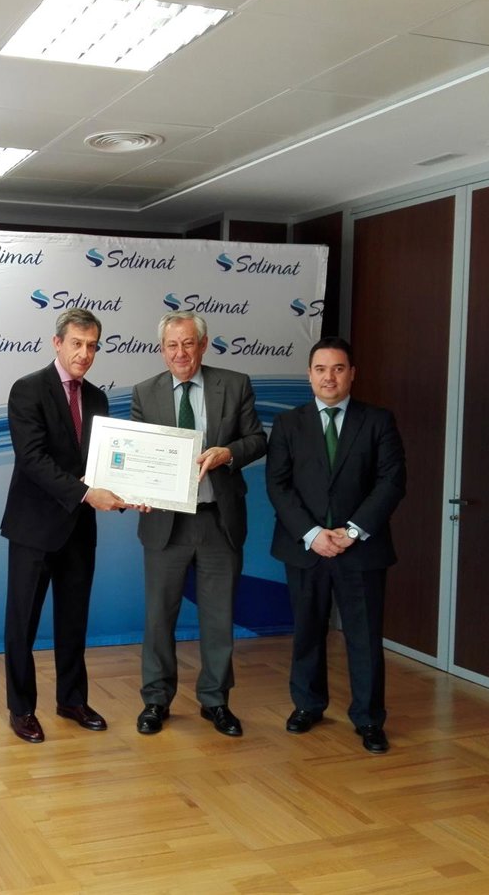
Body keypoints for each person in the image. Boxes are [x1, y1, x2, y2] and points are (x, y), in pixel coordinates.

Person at [265, 336, 406, 754]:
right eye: (321, 369)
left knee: (364, 638)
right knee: (308, 631)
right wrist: (313, 534)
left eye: (339, 369)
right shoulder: (288, 424)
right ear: (309, 375)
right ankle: (308, 705)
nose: (330, 377)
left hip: (360, 549)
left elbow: (391, 481)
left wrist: (353, 531)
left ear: (352, 374)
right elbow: (278, 485)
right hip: (305, 548)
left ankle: (369, 718)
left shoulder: (378, 421)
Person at [130, 310, 267, 737]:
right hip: (165, 524)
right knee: (158, 618)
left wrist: (229, 453)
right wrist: (137, 488)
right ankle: (156, 700)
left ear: (203, 345)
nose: (181, 353)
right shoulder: (145, 392)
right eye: (172, 345)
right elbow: (136, 455)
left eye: (188, 343)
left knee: (218, 618)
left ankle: (215, 701)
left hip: (217, 521)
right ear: (161, 349)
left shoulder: (235, 384)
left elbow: (257, 439)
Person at [1, 307, 131, 744]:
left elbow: (103, 464)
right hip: (33, 528)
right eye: (77, 344)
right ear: (57, 343)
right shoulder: (27, 389)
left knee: (74, 619)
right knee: (22, 623)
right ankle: (21, 708)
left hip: (79, 528)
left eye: (92, 346)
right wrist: (87, 493)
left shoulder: (97, 398)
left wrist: (128, 493)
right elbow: (32, 459)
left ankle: (72, 699)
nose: (84, 354)